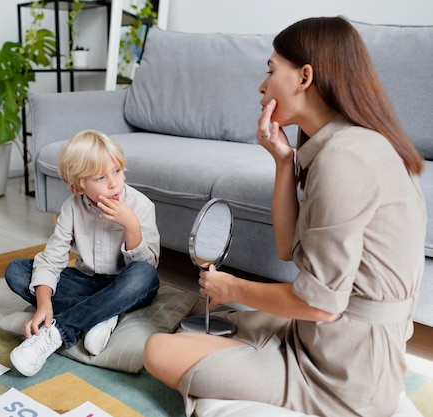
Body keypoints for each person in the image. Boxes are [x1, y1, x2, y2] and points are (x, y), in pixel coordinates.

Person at [143, 16, 426, 417]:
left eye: (271, 70)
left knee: (158, 351)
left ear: (305, 76)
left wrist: (234, 288)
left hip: (347, 371)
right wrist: (283, 161)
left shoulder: (346, 159)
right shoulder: (342, 146)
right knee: (189, 324)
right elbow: (287, 247)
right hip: (323, 339)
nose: (262, 86)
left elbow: (321, 305)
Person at [5, 129, 160, 377]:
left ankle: (59, 332)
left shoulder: (140, 205)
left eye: (117, 171)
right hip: (87, 283)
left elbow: (147, 265)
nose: (113, 183)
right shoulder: (71, 208)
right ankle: (104, 313)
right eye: (100, 177)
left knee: (145, 275)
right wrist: (44, 304)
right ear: (77, 186)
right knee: (16, 270)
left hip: (126, 283)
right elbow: (51, 259)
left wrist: (131, 225)